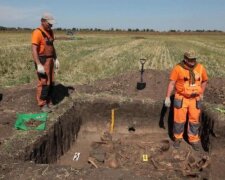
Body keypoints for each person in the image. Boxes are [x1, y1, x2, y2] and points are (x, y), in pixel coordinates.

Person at [164, 50, 208, 151]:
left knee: (194, 121)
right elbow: (172, 83)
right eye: (190, 59)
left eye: (194, 59)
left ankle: (193, 140)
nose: (193, 61)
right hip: (181, 98)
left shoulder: (200, 68)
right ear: (185, 59)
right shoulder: (178, 68)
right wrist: (167, 97)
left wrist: (201, 93)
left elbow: (205, 81)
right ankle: (178, 138)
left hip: (195, 99)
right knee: (179, 120)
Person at [31, 13, 60, 112]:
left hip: (50, 59)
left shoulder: (50, 32)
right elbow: (34, 49)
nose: (51, 25)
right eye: (49, 23)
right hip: (42, 60)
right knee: (44, 82)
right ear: (43, 21)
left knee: (51, 81)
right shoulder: (37, 32)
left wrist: (55, 58)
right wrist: (38, 64)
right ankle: (42, 103)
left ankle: (48, 100)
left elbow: (52, 47)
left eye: (52, 24)